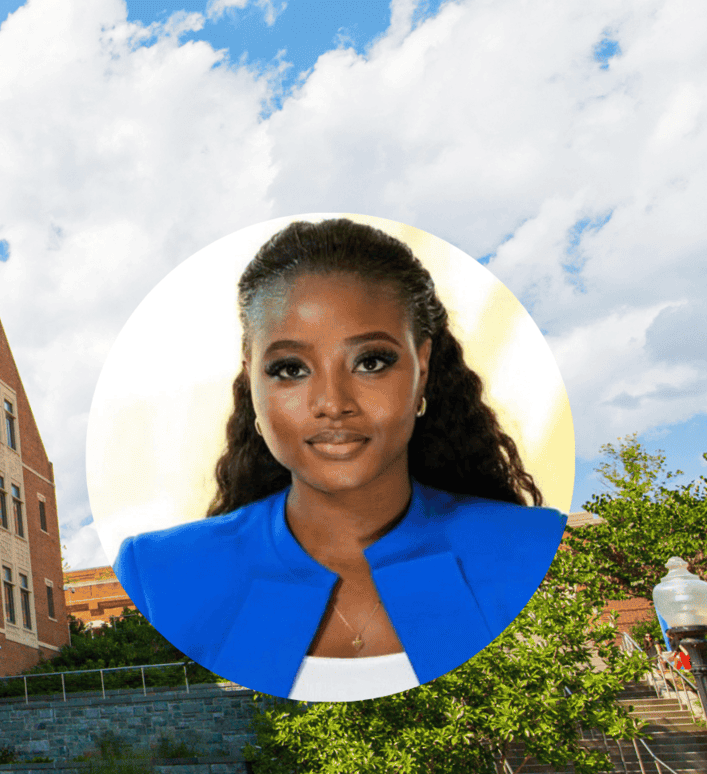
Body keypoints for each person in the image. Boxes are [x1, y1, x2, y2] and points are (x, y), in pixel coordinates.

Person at [114, 219, 566, 701]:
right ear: (252, 379)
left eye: (371, 362)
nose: (332, 403)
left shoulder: (533, 548)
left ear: (422, 366)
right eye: (291, 368)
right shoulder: (159, 574)